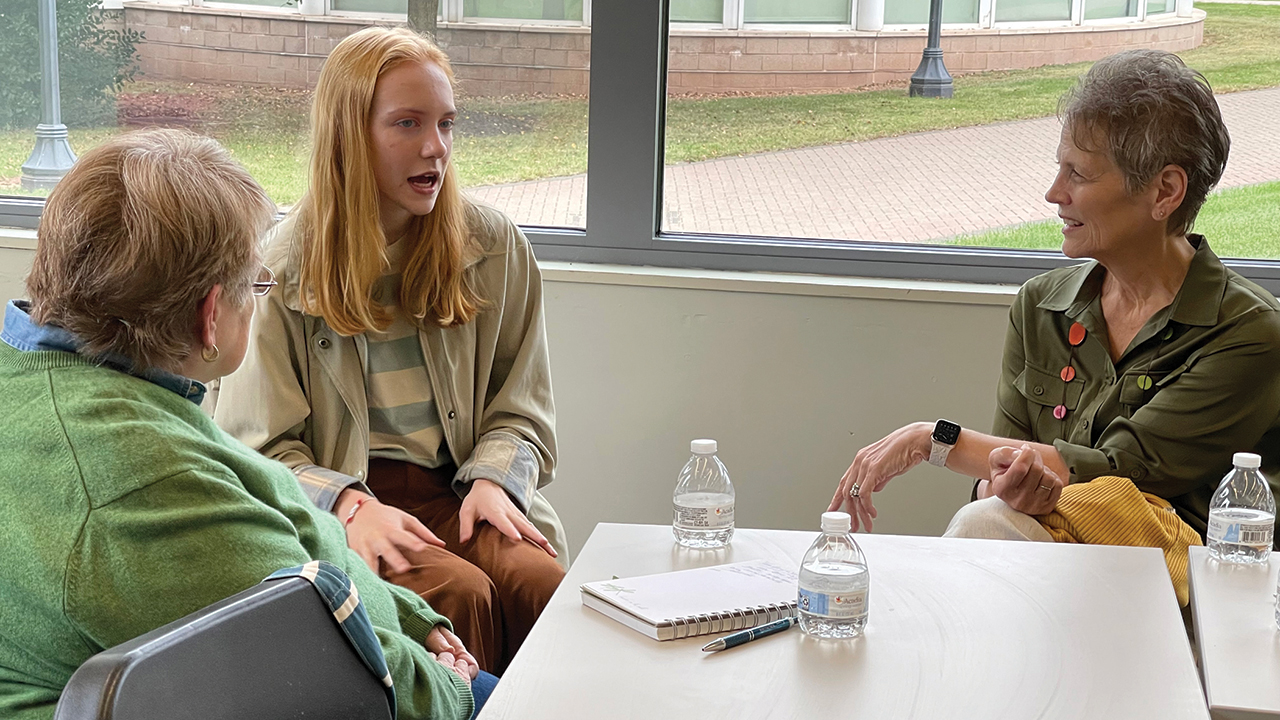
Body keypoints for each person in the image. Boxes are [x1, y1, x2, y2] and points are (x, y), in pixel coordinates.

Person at [0, 129, 496, 720]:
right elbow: (325, 659)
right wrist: (451, 687)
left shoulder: (92, 386)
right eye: (255, 284)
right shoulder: (138, 479)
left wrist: (412, 617)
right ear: (211, 316)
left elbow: (291, 527)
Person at [214, 26, 566, 674]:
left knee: (541, 586)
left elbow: (522, 410)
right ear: (349, 135)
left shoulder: (495, 248)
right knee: (460, 595)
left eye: (446, 123)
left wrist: (495, 480)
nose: (436, 147)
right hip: (351, 504)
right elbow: (257, 451)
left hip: (463, 486)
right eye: (408, 123)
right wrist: (349, 507)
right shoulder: (279, 270)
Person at [830, 50, 1280, 550]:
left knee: (984, 526)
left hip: (1184, 578)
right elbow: (996, 480)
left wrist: (933, 440)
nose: (1053, 193)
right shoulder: (1040, 306)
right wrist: (1006, 485)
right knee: (989, 515)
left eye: (1079, 174)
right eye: (1058, 169)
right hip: (1047, 558)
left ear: (1165, 191)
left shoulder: (1249, 333)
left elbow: (1122, 472)